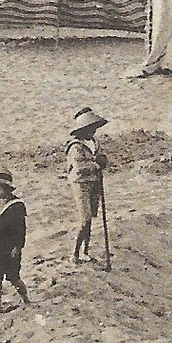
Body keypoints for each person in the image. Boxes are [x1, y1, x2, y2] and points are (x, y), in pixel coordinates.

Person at [0, 170, 31, 313]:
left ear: (7, 189)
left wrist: (17, 247)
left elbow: (20, 229)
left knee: (13, 277)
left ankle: (26, 299)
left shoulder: (16, 205)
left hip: (9, 247)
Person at [65, 107, 109, 264]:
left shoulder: (94, 143)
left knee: (90, 218)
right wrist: (97, 164)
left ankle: (85, 251)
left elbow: (101, 157)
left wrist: (102, 161)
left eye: (94, 128)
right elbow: (80, 167)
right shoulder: (75, 146)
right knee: (84, 218)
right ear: (82, 129)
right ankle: (75, 253)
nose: (93, 131)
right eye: (90, 128)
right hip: (80, 183)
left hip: (94, 183)